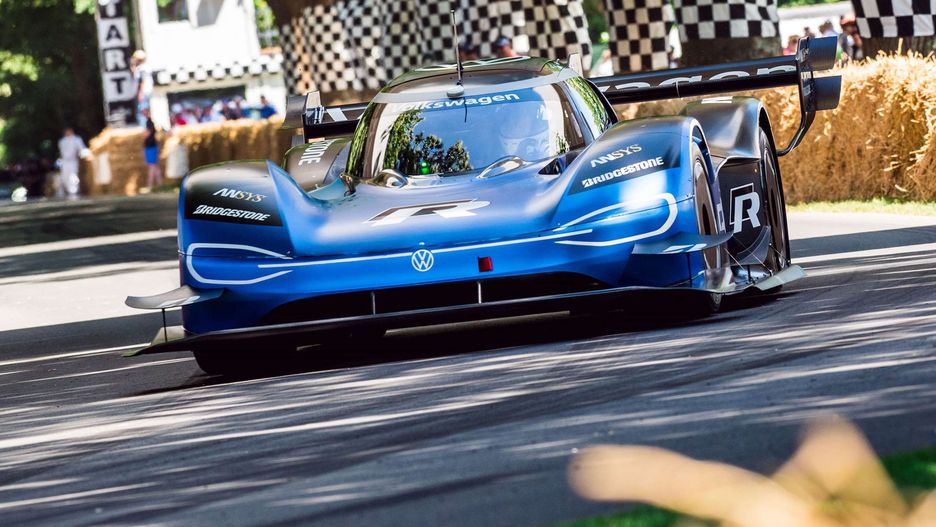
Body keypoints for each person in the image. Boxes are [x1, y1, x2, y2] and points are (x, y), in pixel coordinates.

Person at [57, 127, 87, 199]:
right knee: (65, 176)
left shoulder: (77, 139)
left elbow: (81, 148)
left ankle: (74, 191)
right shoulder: (62, 141)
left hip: (73, 160)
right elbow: (61, 152)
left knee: (73, 175)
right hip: (64, 161)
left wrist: (83, 155)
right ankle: (68, 190)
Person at [131, 50, 153, 127]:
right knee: (144, 109)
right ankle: (146, 126)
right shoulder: (143, 67)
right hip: (146, 92)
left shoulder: (142, 68)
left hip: (143, 92)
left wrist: (141, 93)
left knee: (142, 110)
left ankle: (143, 127)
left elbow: (142, 81)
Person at [142, 108, 163, 189]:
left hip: (151, 147)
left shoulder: (149, 122)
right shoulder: (149, 122)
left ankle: (149, 185)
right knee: (154, 166)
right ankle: (160, 184)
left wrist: (143, 134)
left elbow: (146, 134)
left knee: (151, 166)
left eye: (145, 112)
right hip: (151, 146)